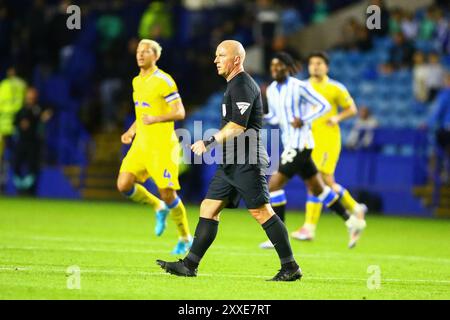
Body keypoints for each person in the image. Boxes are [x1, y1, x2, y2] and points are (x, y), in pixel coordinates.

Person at [157, 40, 302, 281]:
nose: (216, 60)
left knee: (262, 212)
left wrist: (208, 142)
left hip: (246, 159)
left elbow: (237, 126)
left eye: (221, 55)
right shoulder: (233, 85)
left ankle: (290, 267)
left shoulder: (243, 85)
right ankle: (189, 265)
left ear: (237, 60)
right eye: (216, 55)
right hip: (231, 161)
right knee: (208, 208)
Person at [259, 52, 366, 250]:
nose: (275, 70)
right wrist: (261, 118)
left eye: (279, 66)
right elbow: (276, 116)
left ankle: (278, 238)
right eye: (272, 66)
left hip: (301, 144)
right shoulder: (272, 89)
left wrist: (305, 120)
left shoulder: (299, 87)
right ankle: (353, 222)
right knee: (318, 188)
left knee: (273, 184)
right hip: (290, 143)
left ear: (288, 67)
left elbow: (324, 106)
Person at [116, 39, 192, 255]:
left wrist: (156, 118)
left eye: (146, 51)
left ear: (155, 56)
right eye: (138, 51)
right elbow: (142, 115)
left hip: (162, 146)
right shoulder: (136, 82)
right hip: (141, 145)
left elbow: (180, 112)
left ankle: (185, 237)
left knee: (169, 195)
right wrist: (131, 131)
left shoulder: (164, 81)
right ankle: (157, 206)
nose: (140, 54)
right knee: (123, 185)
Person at [292, 52, 367, 242]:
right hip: (309, 140)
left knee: (315, 181)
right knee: (325, 183)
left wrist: (337, 117)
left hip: (328, 140)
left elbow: (352, 109)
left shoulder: (335, 88)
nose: (315, 66)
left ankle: (309, 228)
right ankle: (356, 208)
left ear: (326, 67)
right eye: (311, 63)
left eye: (319, 63)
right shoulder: (303, 87)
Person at [12, 87, 52, 195]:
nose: (31, 97)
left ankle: (30, 190)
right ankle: (19, 187)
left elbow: (48, 112)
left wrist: (44, 117)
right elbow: (15, 122)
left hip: (33, 143)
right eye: (29, 94)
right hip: (22, 141)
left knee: (32, 166)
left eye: (33, 94)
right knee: (16, 164)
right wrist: (21, 125)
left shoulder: (38, 109)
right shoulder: (21, 110)